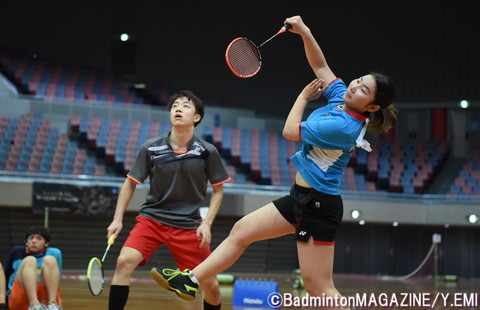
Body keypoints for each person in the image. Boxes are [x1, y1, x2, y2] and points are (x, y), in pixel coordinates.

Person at [151, 15, 397, 309]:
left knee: (320, 288)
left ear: (371, 107)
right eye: (358, 81)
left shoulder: (343, 126)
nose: (354, 86)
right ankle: (190, 280)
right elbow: (320, 66)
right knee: (241, 231)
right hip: (300, 199)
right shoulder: (340, 100)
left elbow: (289, 130)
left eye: (363, 90)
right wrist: (305, 31)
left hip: (317, 206)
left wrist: (303, 97)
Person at [107, 90, 231, 310]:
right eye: (174, 106)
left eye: (185, 106)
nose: (178, 109)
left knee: (210, 283)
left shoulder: (207, 152)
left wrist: (207, 223)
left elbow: (219, 191)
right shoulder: (151, 147)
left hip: (188, 225)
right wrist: (117, 219)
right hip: (152, 219)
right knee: (124, 262)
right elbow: (130, 183)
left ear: (196, 117)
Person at [4, 226, 62, 310]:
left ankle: (53, 304)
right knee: (30, 260)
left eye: (39, 238)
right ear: (26, 242)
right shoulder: (17, 252)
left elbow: (57, 281)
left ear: (46, 243)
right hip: (20, 298)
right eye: (31, 238)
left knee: (50, 260)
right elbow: (7, 277)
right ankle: (34, 305)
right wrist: (3, 303)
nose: (34, 241)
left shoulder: (55, 253)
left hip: (44, 298)